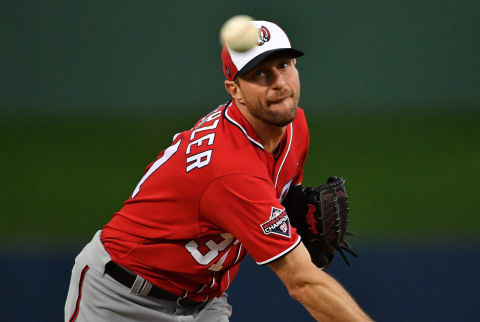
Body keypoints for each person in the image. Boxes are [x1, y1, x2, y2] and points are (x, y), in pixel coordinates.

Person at [65, 20, 372, 322]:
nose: (279, 82)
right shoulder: (231, 171)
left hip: (202, 302)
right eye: (261, 74)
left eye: (284, 65)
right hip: (120, 299)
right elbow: (303, 282)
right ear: (234, 90)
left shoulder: (295, 128)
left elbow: (276, 199)